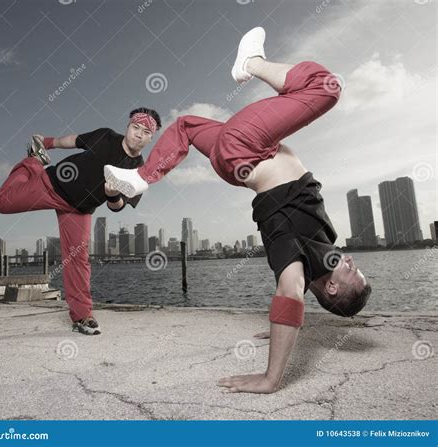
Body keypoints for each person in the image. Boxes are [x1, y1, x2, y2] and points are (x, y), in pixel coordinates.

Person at [104, 27, 371, 393]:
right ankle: (140, 178)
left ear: (336, 289)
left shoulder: (297, 259)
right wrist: (285, 328)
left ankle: (252, 63)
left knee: (326, 87)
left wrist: (271, 377)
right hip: (238, 154)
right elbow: (299, 296)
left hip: (246, 148)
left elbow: (290, 292)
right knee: (184, 125)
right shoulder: (319, 254)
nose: (355, 265)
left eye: (354, 275)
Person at [0, 108, 162, 335]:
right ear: (128, 127)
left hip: (79, 210)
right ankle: (33, 163)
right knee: (2, 203)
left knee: (77, 259)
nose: (138, 135)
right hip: (52, 185)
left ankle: (82, 317)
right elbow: (73, 140)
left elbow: (117, 207)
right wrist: (48, 143)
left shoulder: (138, 171)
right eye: (135, 128)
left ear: (151, 138)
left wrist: (112, 194)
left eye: (145, 132)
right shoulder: (105, 137)